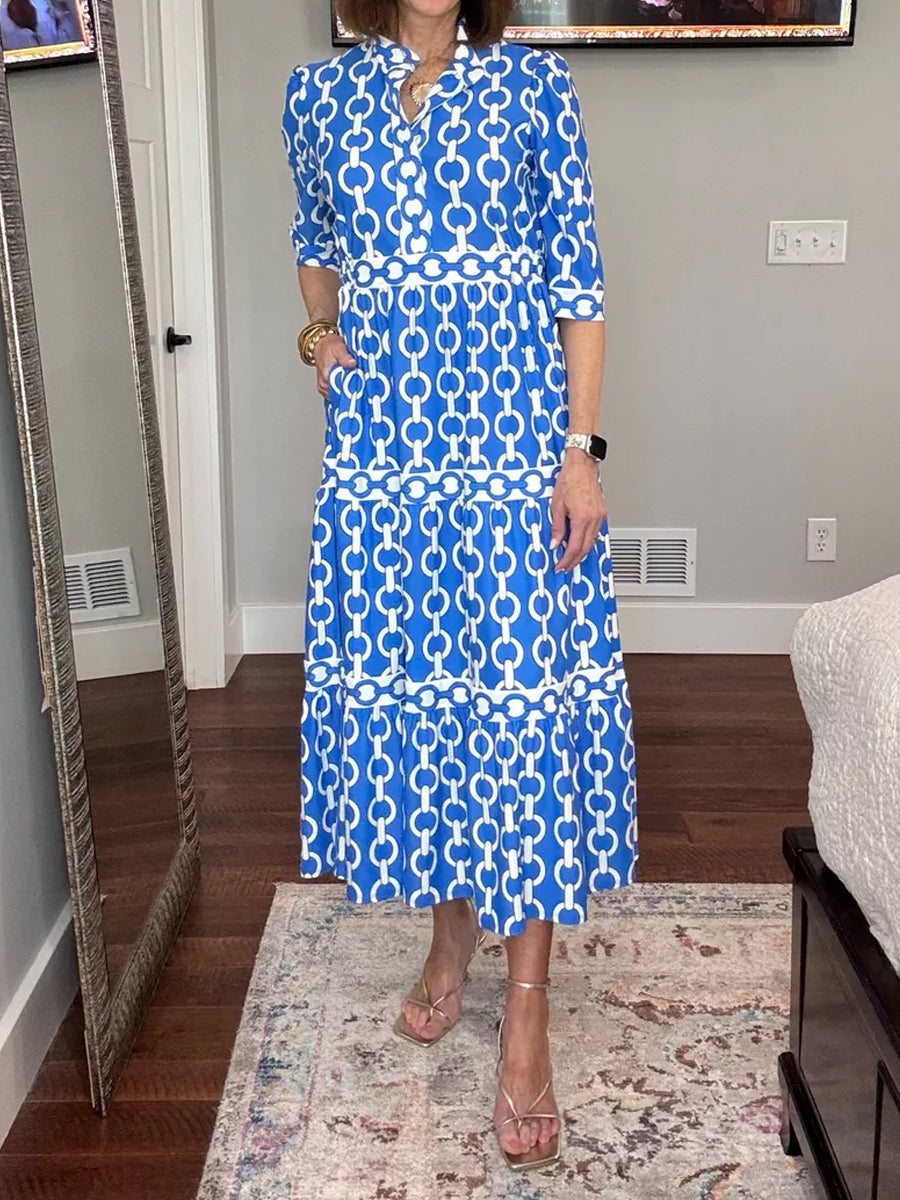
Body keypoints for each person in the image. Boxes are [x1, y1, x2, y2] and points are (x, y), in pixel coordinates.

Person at [283, 0, 637, 1172]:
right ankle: (448, 941)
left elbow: (580, 284)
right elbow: (316, 238)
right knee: (429, 702)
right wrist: (319, 335)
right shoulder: (319, 96)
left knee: (517, 717)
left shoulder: (532, 88)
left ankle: (526, 1013)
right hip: (387, 452)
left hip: (512, 448)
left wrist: (579, 452)